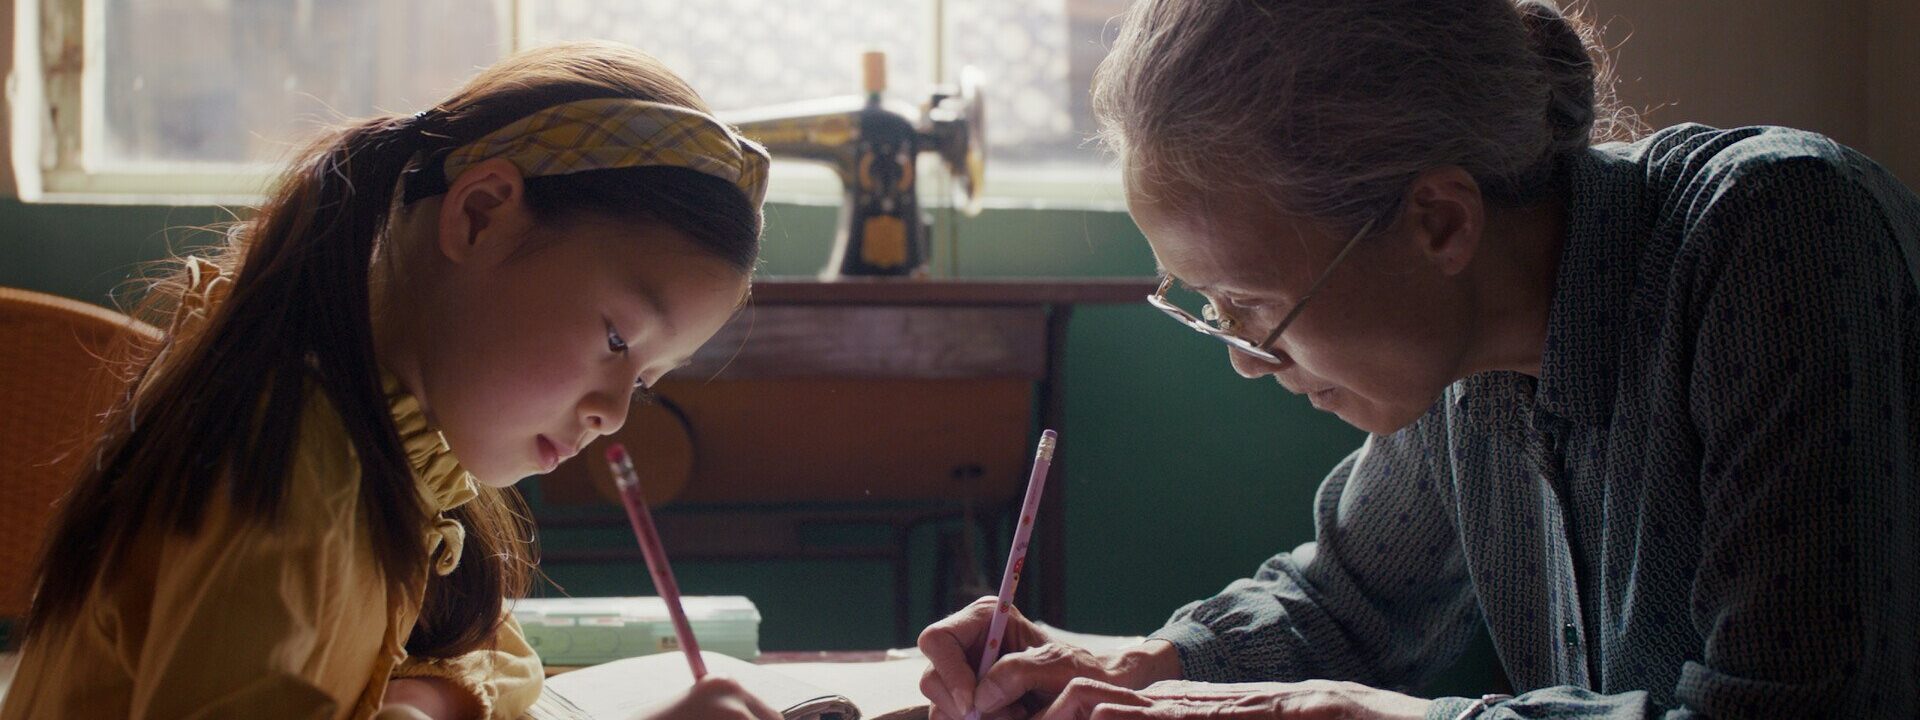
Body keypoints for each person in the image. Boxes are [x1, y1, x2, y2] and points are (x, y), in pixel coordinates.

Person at [918, 1, 1919, 718]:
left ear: (1438, 222)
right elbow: (1349, 604)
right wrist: (1148, 662)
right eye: (1210, 309)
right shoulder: (1463, 361)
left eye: (1255, 306)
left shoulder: (1783, 239)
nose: (1246, 361)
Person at [1, 41, 783, 720]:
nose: (613, 414)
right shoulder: (282, 464)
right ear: (479, 216)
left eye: (644, 382)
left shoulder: (394, 449)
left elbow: (496, 658)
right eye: (617, 339)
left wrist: (423, 697)